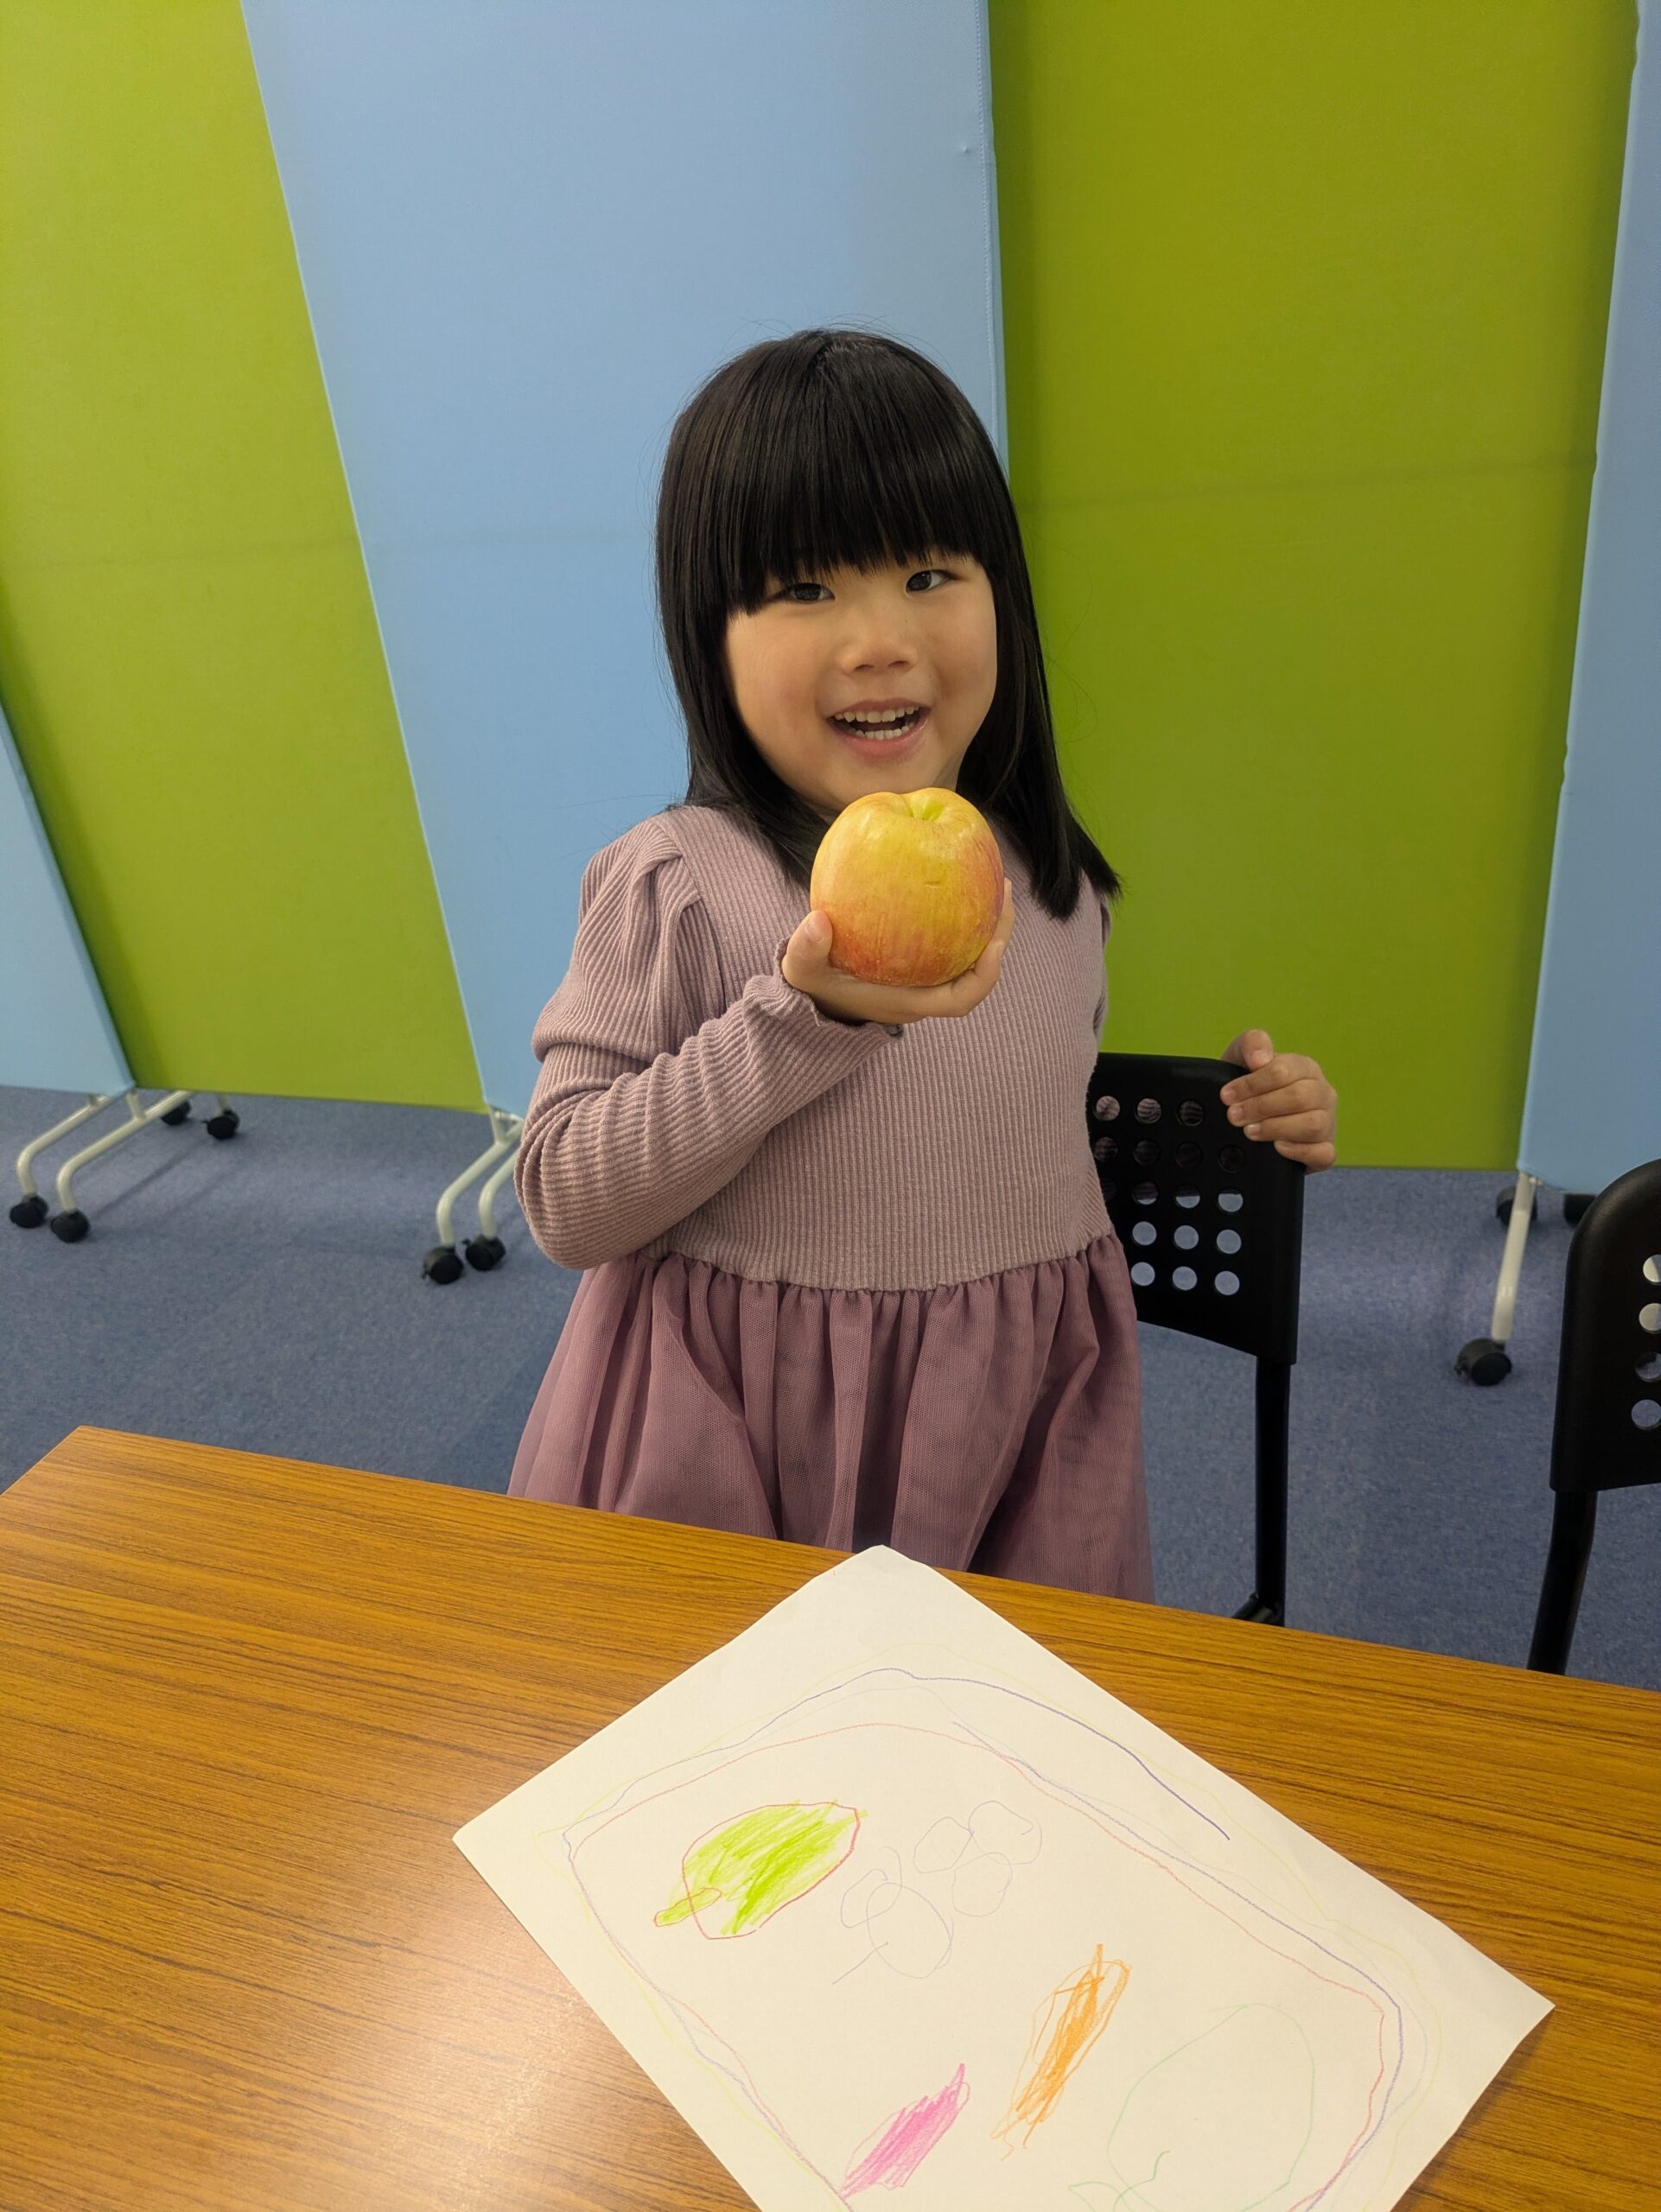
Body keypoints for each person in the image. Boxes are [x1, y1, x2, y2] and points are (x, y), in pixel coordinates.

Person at [507, 328, 1337, 1601]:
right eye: (804, 588)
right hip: (740, 1446)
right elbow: (567, 1201)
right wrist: (800, 1017)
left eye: (928, 573)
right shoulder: (680, 882)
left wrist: (1224, 1125)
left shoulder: (1045, 884)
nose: (878, 639)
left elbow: (1018, 1128)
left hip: (1004, 1437)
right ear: (707, 636)